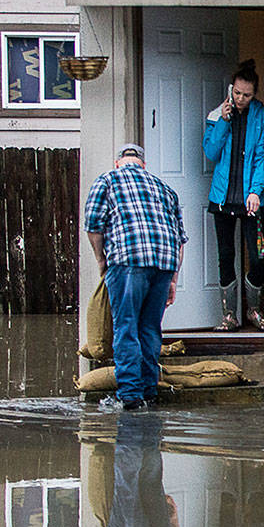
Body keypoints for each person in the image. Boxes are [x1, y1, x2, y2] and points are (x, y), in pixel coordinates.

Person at [84, 143, 187, 410]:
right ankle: (149, 391)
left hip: (128, 261)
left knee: (126, 326)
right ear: (143, 164)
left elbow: (93, 226)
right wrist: (173, 279)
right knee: (150, 328)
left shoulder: (107, 180)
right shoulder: (164, 188)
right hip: (164, 263)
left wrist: (101, 261)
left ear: (118, 161)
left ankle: (130, 395)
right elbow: (180, 238)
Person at [203, 58, 264, 331]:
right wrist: (224, 121)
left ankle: (253, 309)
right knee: (226, 256)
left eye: (247, 95)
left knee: (258, 256)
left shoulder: (259, 114)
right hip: (222, 199)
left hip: (250, 201)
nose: (241, 99)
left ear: (254, 94)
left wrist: (255, 191)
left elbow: (261, 156)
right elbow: (211, 152)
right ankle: (229, 315)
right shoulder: (217, 115)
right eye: (238, 93)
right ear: (231, 90)